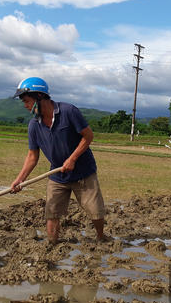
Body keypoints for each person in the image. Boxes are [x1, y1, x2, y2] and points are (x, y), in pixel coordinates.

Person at [10, 77, 108, 245]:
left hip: (83, 173)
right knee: (52, 213)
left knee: (95, 212)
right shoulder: (34, 125)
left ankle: (101, 238)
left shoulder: (69, 112)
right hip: (57, 175)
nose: (25, 106)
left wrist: (72, 159)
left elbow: (88, 136)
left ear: (39, 97)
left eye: (26, 101)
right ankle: (52, 245)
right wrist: (20, 179)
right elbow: (32, 156)